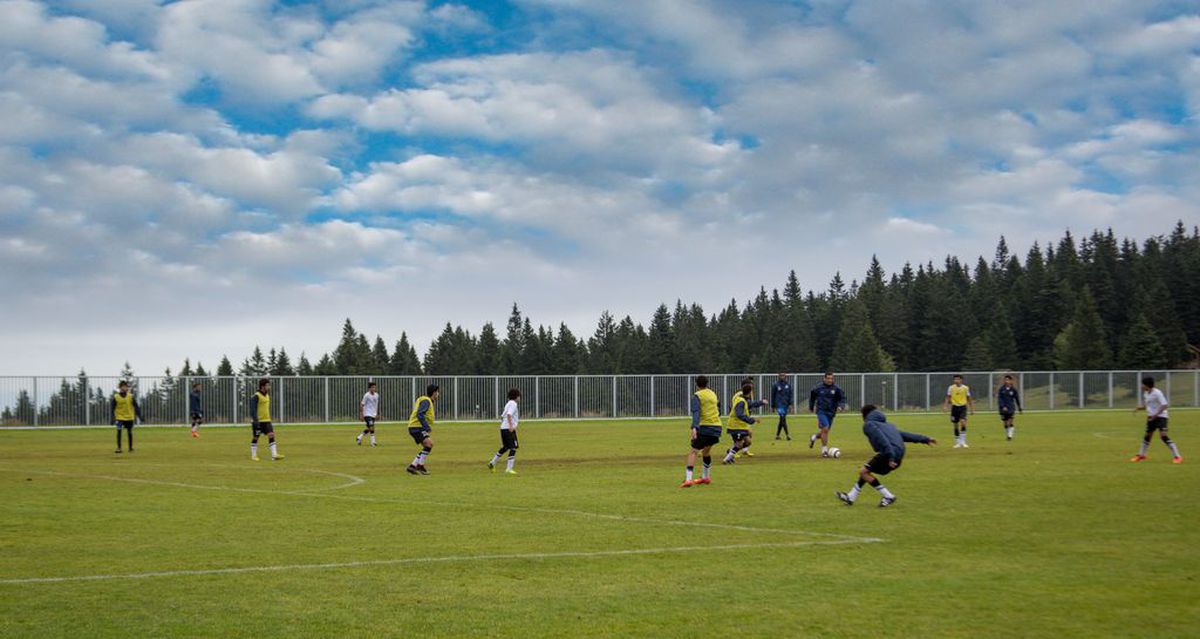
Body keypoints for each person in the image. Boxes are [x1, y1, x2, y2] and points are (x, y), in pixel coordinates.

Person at [836, 405, 937, 507]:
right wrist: (925, 439)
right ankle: (851, 496)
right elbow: (906, 435)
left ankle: (888, 496)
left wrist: (890, 457)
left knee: (863, 472)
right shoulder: (889, 425)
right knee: (867, 471)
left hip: (889, 454)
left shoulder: (869, 425)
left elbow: (882, 440)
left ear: (864, 416)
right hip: (898, 456)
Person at [680, 375, 722, 488]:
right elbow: (719, 409)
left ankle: (688, 479)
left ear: (696, 384)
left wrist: (694, 427)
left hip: (705, 427)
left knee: (693, 452)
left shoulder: (697, 396)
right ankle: (705, 477)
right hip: (717, 427)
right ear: (707, 383)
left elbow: (696, 412)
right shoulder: (713, 394)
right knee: (706, 452)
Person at [1130, 376, 1183, 464]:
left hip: (1161, 417)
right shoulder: (1146, 393)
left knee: (1163, 436)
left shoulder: (1157, 393)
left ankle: (1177, 456)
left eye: (1142, 384)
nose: (1141, 386)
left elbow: (1164, 405)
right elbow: (1148, 405)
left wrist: (1156, 415)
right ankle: (1141, 455)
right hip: (1151, 417)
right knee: (1147, 436)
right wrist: (1139, 408)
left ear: (1147, 385)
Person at [724, 381, 768, 464]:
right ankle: (727, 458)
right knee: (739, 444)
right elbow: (739, 414)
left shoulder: (743, 398)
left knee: (748, 442)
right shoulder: (740, 400)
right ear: (750, 391)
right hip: (736, 425)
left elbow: (750, 404)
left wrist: (761, 402)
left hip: (742, 425)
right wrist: (752, 420)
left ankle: (731, 453)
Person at [808, 372, 847, 456]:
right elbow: (812, 398)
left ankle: (814, 437)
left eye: (831, 378)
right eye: (828, 378)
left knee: (824, 431)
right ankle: (824, 450)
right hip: (821, 411)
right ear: (824, 379)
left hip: (831, 412)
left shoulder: (836, 389)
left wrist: (841, 406)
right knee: (825, 428)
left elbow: (842, 398)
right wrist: (811, 407)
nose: (830, 380)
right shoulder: (818, 388)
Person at [406, 385, 440, 475]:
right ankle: (420, 466)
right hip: (417, 427)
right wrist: (426, 426)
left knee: (427, 446)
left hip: (415, 426)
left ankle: (413, 466)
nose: (438, 394)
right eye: (438, 392)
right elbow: (420, 414)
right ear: (434, 392)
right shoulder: (426, 401)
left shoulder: (426, 400)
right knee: (429, 444)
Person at [488, 388, 522, 475]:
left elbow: (502, 416)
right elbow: (509, 414)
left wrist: (504, 425)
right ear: (516, 396)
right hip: (508, 429)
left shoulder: (508, 404)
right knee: (513, 447)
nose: (520, 398)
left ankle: (492, 463)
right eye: (519, 396)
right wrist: (511, 426)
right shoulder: (513, 404)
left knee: (505, 447)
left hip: (503, 428)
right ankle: (509, 468)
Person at [250, 379, 283, 461]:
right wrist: (255, 420)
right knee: (256, 437)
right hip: (258, 421)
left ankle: (274, 455)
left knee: (271, 434)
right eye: (267, 385)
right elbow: (252, 409)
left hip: (267, 420)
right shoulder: (256, 396)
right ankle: (254, 456)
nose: (269, 387)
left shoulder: (267, 395)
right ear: (263, 386)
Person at [943, 374, 975, 448]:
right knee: (955, 425)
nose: (956, 381)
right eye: (955, 379)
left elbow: (969, 398)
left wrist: (972, 409)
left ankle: (963, 442)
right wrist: (945, 406)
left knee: (963, 422)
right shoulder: (951, 388)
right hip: (954, 408)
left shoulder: (965, 388)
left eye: (957, 379)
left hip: (963, 407)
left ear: (961, 380)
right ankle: (957, 442)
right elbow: (948, 397)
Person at [111, 380, 142, 454]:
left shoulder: (130, 396)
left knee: (129, 432)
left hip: (129, 417)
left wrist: (139, 416)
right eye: (123, 386)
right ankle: (119, 448)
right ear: (120, 387)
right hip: (119, 417)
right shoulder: (116, 397)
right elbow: (112, 408)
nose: (125, 388)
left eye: (126, 387)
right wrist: (112, 418)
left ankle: (130, 448)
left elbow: (136, 406)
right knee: (119, 431)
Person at [997, 375, 1022, 441]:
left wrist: (1019, 407)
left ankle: (1009, 436)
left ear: (1011, 381)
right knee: (1005, 423)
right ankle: (1008, 434)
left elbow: (1017, 398)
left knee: (1010, 421)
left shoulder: (1013, 390)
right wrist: (1003, 406)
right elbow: (1000, 399)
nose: (1006, 381)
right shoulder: (1001, 389)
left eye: (1008, 380)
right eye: (1005, 380)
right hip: (1003, 408)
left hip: (1011, 408)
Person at [357, 382, 381, 446]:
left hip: (373, 414)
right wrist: (361, 414)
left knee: (369, 428)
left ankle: (359, 437)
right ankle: (373, 442)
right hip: (367, 413)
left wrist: (377, 413)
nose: (374, 388)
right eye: (372, 387)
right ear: (369, 388)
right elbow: (362, 404)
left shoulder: (376, 395)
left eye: (375, 387)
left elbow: (377, 405)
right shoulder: (366, 395)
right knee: (372, 427)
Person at [771, 373, 793, 440]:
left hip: (785, 405)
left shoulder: (788, 385)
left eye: (783, 375)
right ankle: (787, 435)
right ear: (778, 376)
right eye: (781, 375)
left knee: (781, 420)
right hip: (779, 405)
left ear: (785, 376)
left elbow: (790, 395)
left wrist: (790, 404)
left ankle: (777, 435)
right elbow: (773, 395)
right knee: (783, 418)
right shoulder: (775, 385)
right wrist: (773, 406)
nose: (782, 377)